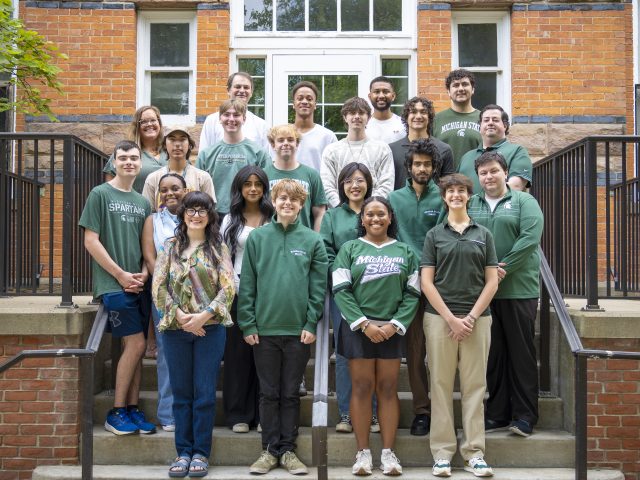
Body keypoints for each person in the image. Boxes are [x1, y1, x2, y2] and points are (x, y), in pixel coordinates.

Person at [238, 179, 328, 476]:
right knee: (268, 393)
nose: (287, 203)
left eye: (294, 200)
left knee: (290, 393)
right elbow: (247, 283)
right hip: (263, 330)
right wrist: (248, 322)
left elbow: (318, 288)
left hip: (298, 331)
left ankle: (288, 450)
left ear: (302, 204)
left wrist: (311, 321)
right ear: (273, 202)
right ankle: (268, 451)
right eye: (282, 198)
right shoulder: (257, 239)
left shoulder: (312, 241)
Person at [333, 195, 420, 476]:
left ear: (390, 217)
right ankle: (362, 453)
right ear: (362, 219)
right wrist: (363, 323)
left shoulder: (406, 252)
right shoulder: (349, 249)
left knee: (387, 389)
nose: (375, 219)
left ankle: (388, 453)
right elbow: (341, 290)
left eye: (381, 214)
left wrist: (395, 324)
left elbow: (413, 293)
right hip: (359, 329)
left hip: (391, 329)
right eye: (369, 214)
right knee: (360, 387)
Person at [152, 191, 235, 478]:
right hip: (175, 330)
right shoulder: (170, 247)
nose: (196, 215)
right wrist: (180, 317)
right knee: (182, 394)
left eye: (202, 210)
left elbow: (229, 288)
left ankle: (200, 452)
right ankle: (182, 452)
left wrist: (203, 316)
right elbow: (159, 286)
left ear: (210, 215)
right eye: (191, 209)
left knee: (204, 394)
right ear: (183, 213)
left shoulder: (218, 248)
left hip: (209, 331)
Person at [421, 173, 499, 478]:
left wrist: (470, 317)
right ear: (444, 197)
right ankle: (442, 454)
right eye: (450, 191)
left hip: (478, 320)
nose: (456, 195)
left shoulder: (484, 234)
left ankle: (474, 453)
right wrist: (452, 319)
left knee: (475, 387)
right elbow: (427, 282)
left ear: (469, 195)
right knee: (439, 387)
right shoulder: (434, 235)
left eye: (461, 191)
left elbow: (492, 281)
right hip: (440, 319)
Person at [79, 140, 155, 436]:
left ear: (139, 163)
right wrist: (121, 275)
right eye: (123, 157)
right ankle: (117, 412)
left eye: (134, 158)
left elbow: (146, 247)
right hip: (113, 284)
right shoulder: (100, 194)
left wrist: (146, 273)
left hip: (139, 284)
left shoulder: (143, 202)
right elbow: (91, 241)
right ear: (114, 162)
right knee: (137, 344)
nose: (128, 162)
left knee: (133, 349)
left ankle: (133, 409)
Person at [467, 151, 544, 437]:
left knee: (521, 354)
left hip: (517, 290)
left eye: (494, 171)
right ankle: (497, 413)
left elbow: (529, 239)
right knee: (493, 355)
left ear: (505, 172)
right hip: (482, 294)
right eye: (484, 173)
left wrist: (501, 269)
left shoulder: (524, 201)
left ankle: (524, 415)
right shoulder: (471, 203)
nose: (489, 177)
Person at [320, 163, 380, 435]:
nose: (354, 185)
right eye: (348, 181)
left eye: (359, 180)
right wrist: (343, 279)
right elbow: (326, 252)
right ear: (341, 186)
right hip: (343, 293)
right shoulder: (333, 216)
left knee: (374, 352)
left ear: (368, 183)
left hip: (378, 292)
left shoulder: (378, 210)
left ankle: (375, 413)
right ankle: (346, 412)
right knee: (345, 353)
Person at [388, 139, 443, 437]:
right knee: (414, 349)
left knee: (437, 352)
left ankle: (438, 409)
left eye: (427, 164)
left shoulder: (444, 198)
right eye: (417, 164)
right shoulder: (394, 199)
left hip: (438, 285)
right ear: (408, 168)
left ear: (434, 168)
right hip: (403, 284)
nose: (422, 169)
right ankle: (421, 411)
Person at [220, 165, 274, 434]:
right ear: (239, 188)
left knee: (265, 356)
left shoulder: (274, 216)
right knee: (238, 356)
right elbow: (222, 256)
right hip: (238, 294)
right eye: (247, 183)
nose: (253, 188)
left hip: (270, 296)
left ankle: (264, 414)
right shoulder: (231, 219)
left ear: (265, 188)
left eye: (258, 183)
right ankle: (238, 414)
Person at [141, 173, 188, 433]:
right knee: (167, 354)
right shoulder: (153, 221)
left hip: (195, 296)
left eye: (175, 188)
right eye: (164, 190)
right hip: (164, 294)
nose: (170, 193)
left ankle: (189, 410)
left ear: (185, 189)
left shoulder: (195, 216)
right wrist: (166, 289)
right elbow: (150, 258)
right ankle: (168, 414)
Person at [196, 99, 271, 218]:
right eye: (226, 115)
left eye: (236, 115)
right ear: (220, 119)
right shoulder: (206, 155)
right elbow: (197, 189)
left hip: (248, 214)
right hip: (214, 215)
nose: (231, 119)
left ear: (244, 119)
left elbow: (267, 189)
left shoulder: (258, 152)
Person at [321, 97, 394, 208]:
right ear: (345, 117)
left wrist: (368, 208)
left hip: (372, 214)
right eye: (352, 113)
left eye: (361, 113)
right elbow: (327, 185)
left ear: (368, 117)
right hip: (340, 213)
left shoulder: (382, 149)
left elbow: (386, 185)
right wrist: (342, 208)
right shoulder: (331, 150)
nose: (357, 117)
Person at [264, 124, 327, 231]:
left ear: (297, 144)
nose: (286, 143)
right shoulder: (264, 174)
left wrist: (317, 239)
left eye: (290, 140)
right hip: (271, 238)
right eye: (280, 140)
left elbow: (319, 213)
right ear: (273, 145)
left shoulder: (311, 175)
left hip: (303, 239)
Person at [458, 104, 533, 194]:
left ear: (505, 126)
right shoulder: (466, 157)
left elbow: (515, 186)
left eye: (495, 120)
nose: (490, 123)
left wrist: (480, 202)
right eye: (486, 120)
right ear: (480, 126)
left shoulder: (517, 152)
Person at [389, 96, 454, 190]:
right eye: (413, 112)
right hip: (399, 203)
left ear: (429, 117)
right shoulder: (392, 149)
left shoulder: (443, 149)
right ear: (406, 117)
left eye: (423, 112)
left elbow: (448, 187)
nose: (418, 116)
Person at [142, 127, 215, 211]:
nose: (177, 144)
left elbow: (210, 212)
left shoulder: (203, 177)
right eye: (172, 139)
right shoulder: (153, 178)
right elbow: (147, 213)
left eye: (182, 139)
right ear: (165, 144)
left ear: (189, 144)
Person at [103, 106, 168, 193]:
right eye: (144, 121)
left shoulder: (170, 150)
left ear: (159, 123)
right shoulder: (126, 150)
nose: (149, 124)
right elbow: (110, 187)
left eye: (153, 120)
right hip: (137, 205)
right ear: (137, 126)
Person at [199, 72, 270, 151]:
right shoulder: (211, 121)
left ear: (251, 92)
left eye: (246, 87)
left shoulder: (261, 125)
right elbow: (204, 154)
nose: (242, 90)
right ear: (228, 90)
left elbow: (268, 159)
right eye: (237, 86)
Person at [432, 69, 482, 169]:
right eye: (455, 85)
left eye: (465, 84)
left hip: (475, 180)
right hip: (444, 181)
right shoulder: (436, 120)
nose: (460, 88)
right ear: (449, 92)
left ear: (472, 89)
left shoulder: (484, 119)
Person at [291, 80, 338, 171]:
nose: (304, 102)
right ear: (293, 104)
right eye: (300, 98)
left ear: (315, 105)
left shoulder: (327, 136)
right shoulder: (283, 135)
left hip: (318, 185)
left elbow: (335, 169)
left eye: (309, 99)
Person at [366, 76, 405, 144]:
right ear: (370, 96)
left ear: (393, 96)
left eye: (386, 92)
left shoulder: (403, 124)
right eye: (377, 92)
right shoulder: (364, 125)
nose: (381, 96)